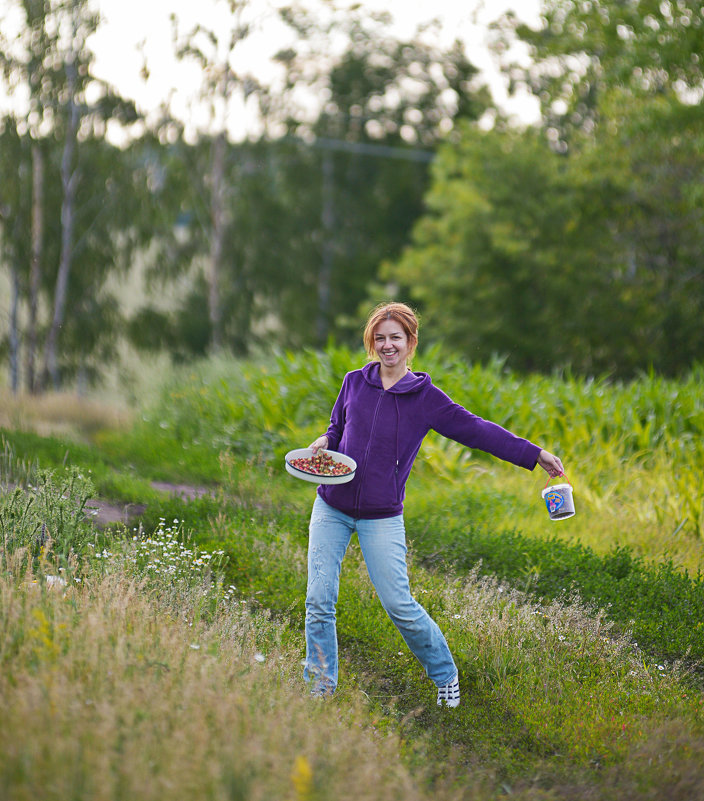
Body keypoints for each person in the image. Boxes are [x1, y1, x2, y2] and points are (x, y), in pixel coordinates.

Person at [304, 302, 565, 707]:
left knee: (398, 604)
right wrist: (324, 442)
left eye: (396, 338)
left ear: (410, 343)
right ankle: (319, 688)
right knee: (319, 599)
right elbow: (337, 427)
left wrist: (534, 454)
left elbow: (478, 430)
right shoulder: (354, 381)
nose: (387, 345)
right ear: (371, 342)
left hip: (381, 514)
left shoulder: (425, 397)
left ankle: (445, 675)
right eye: (380, 337)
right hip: (332, 505)